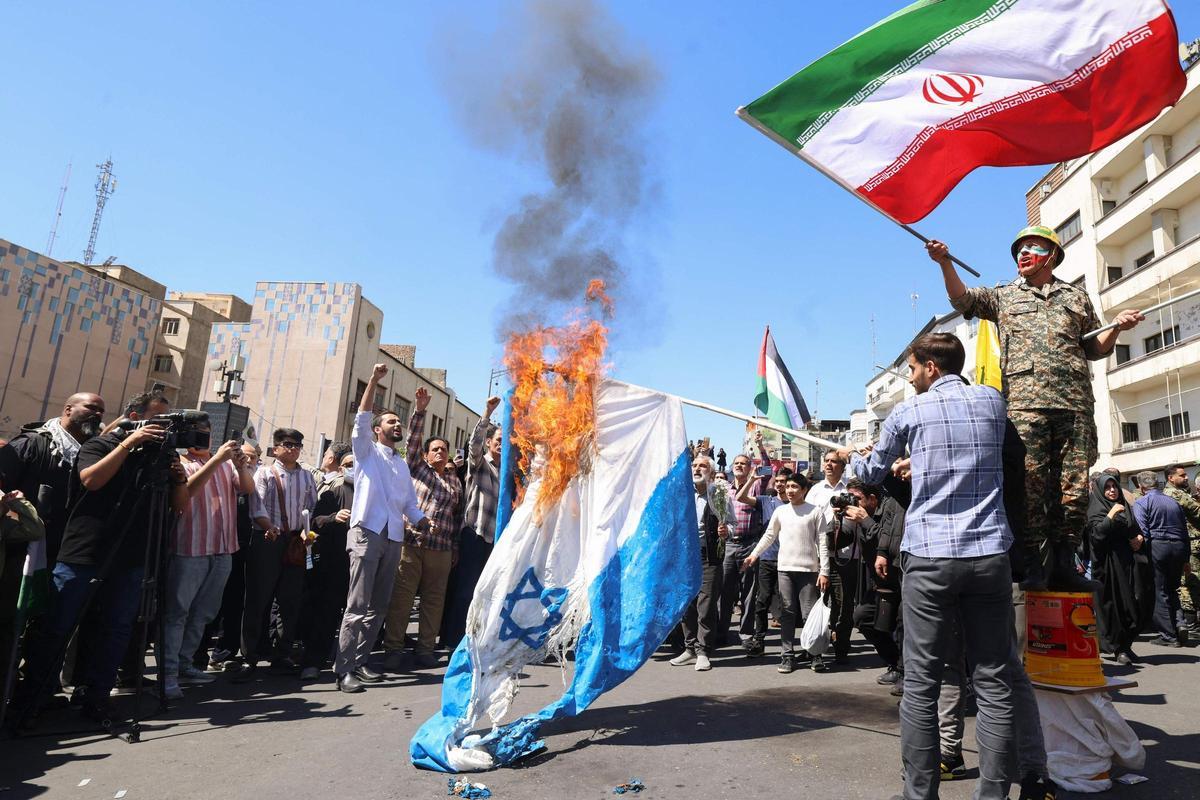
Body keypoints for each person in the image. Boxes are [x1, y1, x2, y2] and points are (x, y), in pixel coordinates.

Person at [843, 332, 1029, 800]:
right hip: (988, 555)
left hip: (929, 557)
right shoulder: (992, 400)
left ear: (929, 367)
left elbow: (870, 475)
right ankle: (993, 793)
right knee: (993, 679)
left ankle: (919, 792)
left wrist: (852, 462)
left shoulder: (909, 411)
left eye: (911, 369)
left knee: (922, 680)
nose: (910, 378)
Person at [928, 230, 1144, 590]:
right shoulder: (1004, 296)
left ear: (1051, 255)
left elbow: (1095, 347)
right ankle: (1032, 563)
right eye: (1020, 249)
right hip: (1026, 407)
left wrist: (1118, 328)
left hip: (1074, 404)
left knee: (1072, 490)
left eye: (1033, 248)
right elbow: (962, 300)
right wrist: (945, 263)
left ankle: (1065, 559)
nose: (1024, 253)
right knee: (1029, 487)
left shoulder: (1076, 298)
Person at [24, 418, 189, 724]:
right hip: (84, 552)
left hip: (131, 558)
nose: (160, 431)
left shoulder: (160, 460)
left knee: (116, 629)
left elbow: (179, 507)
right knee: (58, 626)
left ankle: (96, 697)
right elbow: (91, 480)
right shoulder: (100, 445)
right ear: (135, 421)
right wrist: (129, 444)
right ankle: (33, 698)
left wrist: (179, 479)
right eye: (156, 423)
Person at [0, 393, 106, 699]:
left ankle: (38, 691)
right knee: (14, 623)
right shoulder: (32, 444)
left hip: (65, 552)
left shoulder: (91, 451)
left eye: (100, 411)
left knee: (51, 625)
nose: (96, 415)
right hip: (23, 553)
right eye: (90, 408)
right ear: (68, 408)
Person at [337, 365, 430, 692]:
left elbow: (408, 504)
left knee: (378, 606)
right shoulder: (365, 452)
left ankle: (362, 662)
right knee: (358, 605)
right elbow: (360, 419)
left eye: (398, 421)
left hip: (393, 538)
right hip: (366, 533)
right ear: (377, 430)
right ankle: (344, 668)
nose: (398, 423)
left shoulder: (401, 463)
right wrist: (374, 381)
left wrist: (420, 519)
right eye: (392, 420)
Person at [161, 429, 255, 700]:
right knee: (177, 613)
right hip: (190, 548)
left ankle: (184, 664)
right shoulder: (181, 463)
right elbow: (185, 493)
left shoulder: (226, 464)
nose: (203, 440)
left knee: (203, 613)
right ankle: (167, 674)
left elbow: (247, 489)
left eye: (207, 435)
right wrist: (217, 461)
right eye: (197, 435)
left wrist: (240, 464)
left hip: (223, 548)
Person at [384, 386, 463, 671]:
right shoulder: (416, 468)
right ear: (427, 455)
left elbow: (456, 517)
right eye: (435, 449)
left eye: (444, 449)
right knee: (402, 598)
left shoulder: (455, 481)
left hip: (441, 548)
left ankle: (425, 649)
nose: (440, 452)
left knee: (433, 600)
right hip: (412, 543)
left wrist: (454, 547)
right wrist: (419, 410)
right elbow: (414, 440)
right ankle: (393, 648)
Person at [235, 428, 318, 682]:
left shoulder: (307, 477)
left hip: (294, 541)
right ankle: (249, 658)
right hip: (267, 540)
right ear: (276, 448)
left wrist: (306, 533)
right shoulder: (264, 473)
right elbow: (255, 506)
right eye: (287, 444)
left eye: (297, 445)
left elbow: (310, 507)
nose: (293, 449)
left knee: (290, 601)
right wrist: (267, 526)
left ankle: (282, 655)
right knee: (258, 600)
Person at [742, 472, 830, 674]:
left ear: (804, 490)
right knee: (787, 614)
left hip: (809, 571)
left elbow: (823, 543)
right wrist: (754, 555)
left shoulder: (815, 512)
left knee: (809, 614)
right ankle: (787, 655)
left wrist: (824, 571)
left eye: (794, 487)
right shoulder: (781, 511)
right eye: (788, 487)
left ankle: (815, 655)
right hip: (785, 570)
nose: (789, 490)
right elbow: (769, 535)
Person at [441, 395, 503, 651]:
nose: (501, 445)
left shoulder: (507, 471)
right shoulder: (479, 465)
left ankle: (477, 641)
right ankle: (452, 644)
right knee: (465, 592)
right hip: (474, 535)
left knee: (486, 595)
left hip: (495, 541)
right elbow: (473, 446)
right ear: (490, 442)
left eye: (504, 441)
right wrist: (487, 413)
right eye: (497, 440)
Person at [299, 449, 354, 682]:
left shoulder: (372, 492)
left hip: (359, 563)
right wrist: (334, 517)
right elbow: (315, 521)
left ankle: (348, 662)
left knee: (352, 616)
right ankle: (313, 662)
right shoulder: (335, 490)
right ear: (340, 468)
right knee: (326, 613)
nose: (355, 468)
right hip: (334, 563)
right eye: (349, 464)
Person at [842, 479, 905, 683]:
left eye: (857, 499)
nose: (853, 503)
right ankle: (895, 663)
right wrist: (837, 521)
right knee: (863, 618)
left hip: (900, 578)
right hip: (878, 582)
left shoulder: (889, 508)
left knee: (903, 627)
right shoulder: (858, 517)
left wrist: (866, 520)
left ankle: (905, 673)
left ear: (872, 498)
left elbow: (889, 540)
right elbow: (843, 540)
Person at [208, 442, 261, 669]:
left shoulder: (256, 481)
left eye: (253, 458)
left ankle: (226, 651)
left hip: (245, 551)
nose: (248, 461)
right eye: (243, 456)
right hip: (217, 547)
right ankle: (199, 655)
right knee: (210, 604)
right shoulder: (220, 477)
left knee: (235, 603)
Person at [672, 454, 725, 671]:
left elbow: (729, 524)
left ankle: (704, 651)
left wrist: (725, 531)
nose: (696, 469)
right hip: (685, 556)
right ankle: (689, 648)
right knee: (687, 604)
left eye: (702, 466)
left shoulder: (718, 494)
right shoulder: (682, 494)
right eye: (694, 465)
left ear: (711, 472)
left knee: (706, 605)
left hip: (708, 556)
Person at [734, 457, 790, 657]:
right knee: (762, 600)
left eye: (785, 482)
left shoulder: (797, 504)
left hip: (789, 560)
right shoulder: (767, 501)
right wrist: (751, 479)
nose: (781, 484)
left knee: (787, 604)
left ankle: (788, 646)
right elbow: (740, 497)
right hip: (767, 557)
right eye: (778, 481)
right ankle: (759, 641)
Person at [717, 445, 770, 649]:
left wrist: (760, 447)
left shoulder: (756, 486)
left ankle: (746, 633)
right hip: (729, 544)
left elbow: (767, 469)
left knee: (749, 591)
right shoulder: (724, 489)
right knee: (725, 590)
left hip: (750, 544)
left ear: (750, 468)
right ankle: (722, 632)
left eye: (744, 463)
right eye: (736, 463)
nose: (739, 466)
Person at [1086, 474, 1142, 664]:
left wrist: (1138, 538)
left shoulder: (1124, 506)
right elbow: (1097, 535)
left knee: (1133, 603)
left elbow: (1133, 528)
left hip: (1126, 562)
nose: (1112, 490)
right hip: (1108, 565)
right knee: (1115, 605)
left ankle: (1127, 644)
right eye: (1108, 487)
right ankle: (1119, 648)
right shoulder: (1096, 509)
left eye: (1114, 486)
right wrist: (1111, 515)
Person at [808, 451, 858, 665]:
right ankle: (817, 646)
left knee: (844, 605)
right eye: (826, 461)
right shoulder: (815, 491)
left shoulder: (851, 489)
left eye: (834, 462)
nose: (829, 465)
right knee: (818, 602)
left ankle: (842, 647)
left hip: (847, 557)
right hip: (821, 557)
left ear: (843, 466)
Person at [1132, 471, 1190, 646]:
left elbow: (1143, 531)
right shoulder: (1173, 501)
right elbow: (1184, 530)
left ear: (1141, 487)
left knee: (1160, 591)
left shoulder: (1142, 502)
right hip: (1179, 546)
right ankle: (1179, 623)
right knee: (1173, 588)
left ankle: (1168, 636)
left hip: (1159, 546)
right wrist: (1186, 557)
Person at [1162, 464, 1200, 635]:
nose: (1186, 477)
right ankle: (1191, 622)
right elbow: (1196, 510)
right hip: (1189, 542)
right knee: (1189, 580)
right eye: (1182, 475)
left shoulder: (1179, 492)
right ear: (1171, 478)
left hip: (1189, 540)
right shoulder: (1174, 493)